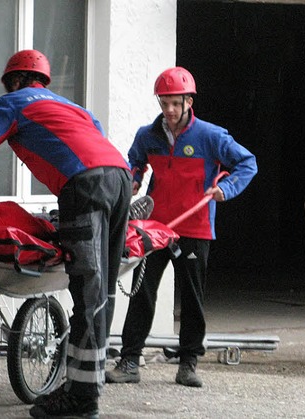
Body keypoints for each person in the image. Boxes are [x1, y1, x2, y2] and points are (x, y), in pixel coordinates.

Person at [0, 49, 132, 419]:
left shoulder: (13, 103)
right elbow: (96, 139)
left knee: (86, 292)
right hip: (119, 176)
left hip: (82, 187)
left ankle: (81, 401)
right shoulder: (73, 107)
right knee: (104, 291)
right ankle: (87, 384)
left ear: (14, 81)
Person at [105, 67, 258, 388]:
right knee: (142, 294)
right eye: (164, 104)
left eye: (176, 103)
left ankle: (188, 364)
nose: (170, 111)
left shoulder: (211, 136)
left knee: (192, 297)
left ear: (189, 101)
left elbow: (247, 163)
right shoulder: (147, 135)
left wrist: (225, 190)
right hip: (154, 228)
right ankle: (130, 361)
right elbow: (134, 163)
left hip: (195, 227)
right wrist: (132, 181)